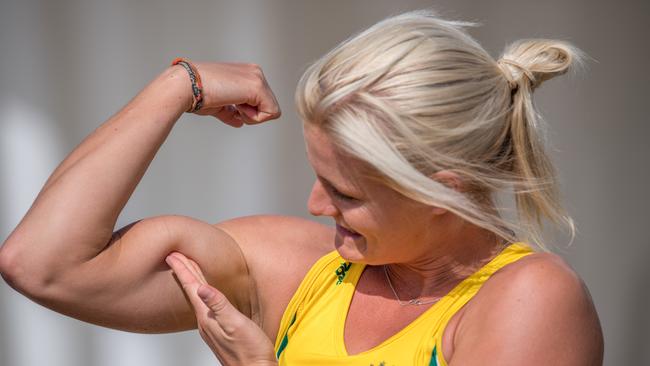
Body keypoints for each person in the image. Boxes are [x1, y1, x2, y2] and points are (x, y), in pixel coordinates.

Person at [0, 10, 603, 366]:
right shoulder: (303, 270)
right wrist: (176, 87)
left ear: (442, 190)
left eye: (345, 194)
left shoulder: (530, 299)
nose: (316, 207)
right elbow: (43, 264)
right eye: (319, 179)